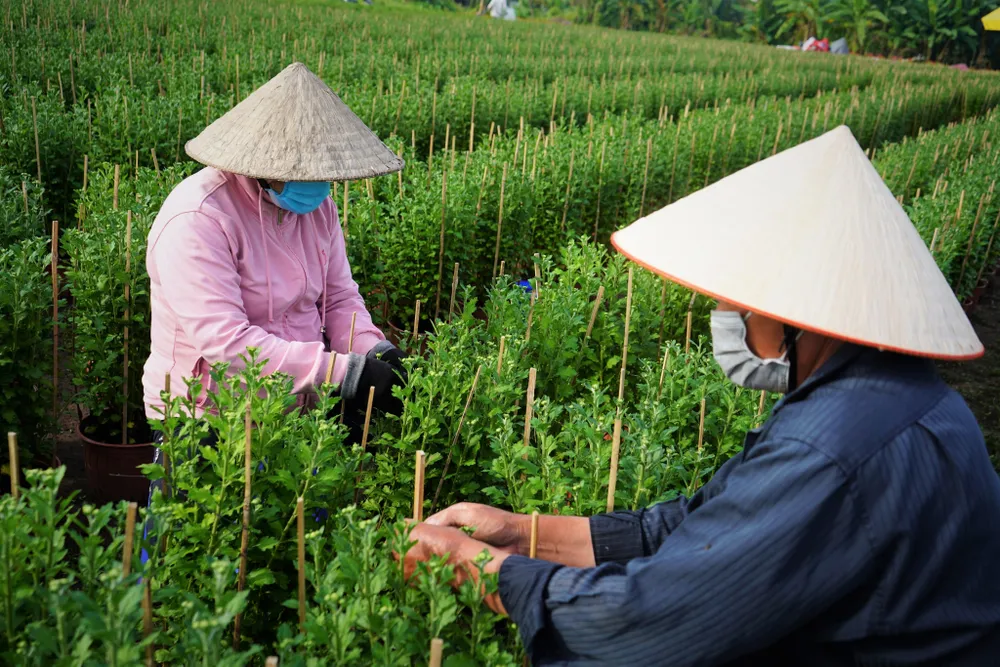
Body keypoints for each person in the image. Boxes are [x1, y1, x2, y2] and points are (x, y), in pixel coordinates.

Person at [403, 126, 1000, 665]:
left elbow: (656, 621)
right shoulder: (893, 397)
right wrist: (522, 533)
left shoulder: (832, 446)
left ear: (795, 312)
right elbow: (704, 526)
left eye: (736, 298)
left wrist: (479, 569)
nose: (725, 314)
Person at [142, 62, 408, 429]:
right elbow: (229, 345)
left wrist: (373, 349)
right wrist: (347, 373)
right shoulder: (199, 218)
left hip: (295, 408)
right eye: (301, 169)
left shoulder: (318, 210)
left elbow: (339, 298)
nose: (317, 182)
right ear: (263, 162)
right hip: (208, 416)